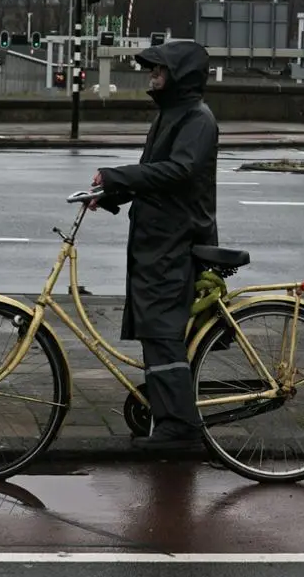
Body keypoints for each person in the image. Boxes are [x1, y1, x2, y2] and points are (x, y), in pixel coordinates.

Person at [89, 39, 218, 451]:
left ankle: (179, 427)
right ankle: (167, 414)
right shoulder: (171, 115)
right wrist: (110, 195)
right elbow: (154, 176)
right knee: (156, 331)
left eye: (158, 71)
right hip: (156, 242)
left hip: (174, 243)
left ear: (178, 75)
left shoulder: (196, 120)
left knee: (163, 332)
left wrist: (118, 178)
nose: (152, 77)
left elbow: (178, 172)